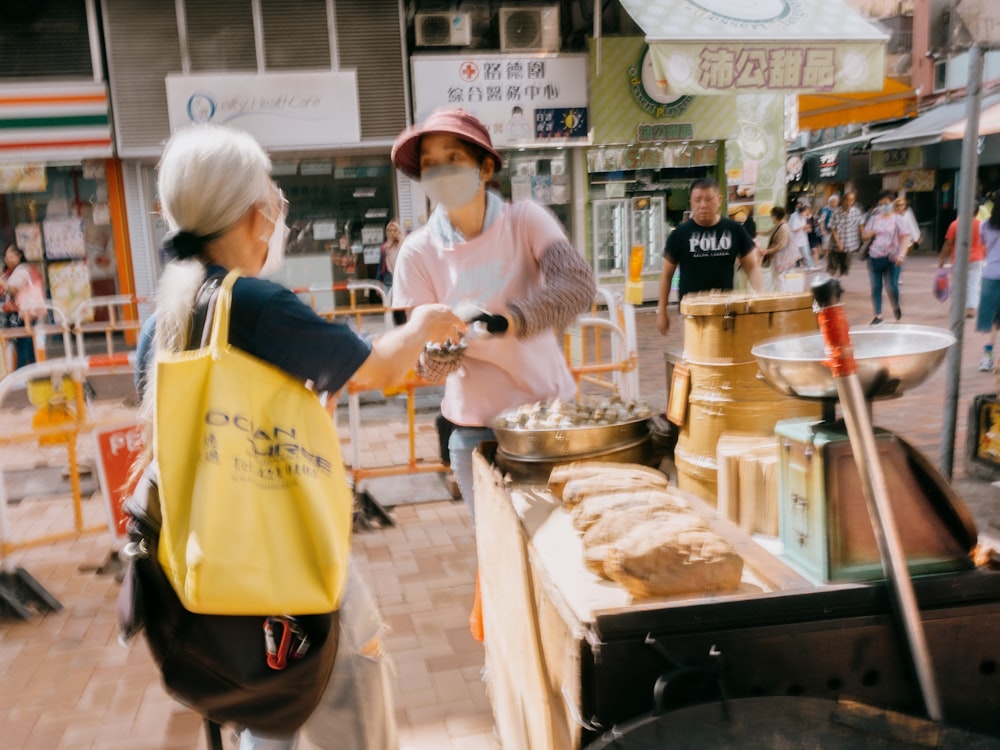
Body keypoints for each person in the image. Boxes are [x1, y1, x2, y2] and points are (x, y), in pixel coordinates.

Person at [132, 123, 466, 750]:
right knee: (350, 711)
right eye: (275, 200)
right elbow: (383, 367)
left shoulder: (164, 320)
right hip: (290, 563)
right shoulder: (255, 304)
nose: (279, 216)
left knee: (272, 717)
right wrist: (420, 324)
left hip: (212, 575)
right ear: (253, 214)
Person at [389, 107, 596, 522]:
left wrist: (508, 320)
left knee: (562, 540)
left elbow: (577, 286)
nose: (441, 173)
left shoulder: (524, 220)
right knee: (498, 549)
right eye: (430, 165)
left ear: (484, 169)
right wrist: (443, 350)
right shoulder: (418, 250)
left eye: (454, 160)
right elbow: (425, 364)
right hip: (474, 429)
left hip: (549, 417)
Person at [656, 177, 764, 336]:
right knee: (694, 357)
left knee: (725, 356)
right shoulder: (679, 235)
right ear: (691, 202)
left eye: (708, 199)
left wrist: (761, 299)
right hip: (691, 312)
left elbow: (752, 267)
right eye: (697, 200)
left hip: (726, 310)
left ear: (719, 200)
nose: (703, 205)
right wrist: (662, 311)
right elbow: (666, 275)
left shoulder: (735, 230)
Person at [861, 190, 911, 325]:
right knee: (876, 287)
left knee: (892, 286)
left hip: (893, 259)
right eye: (881, 204)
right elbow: (864, 236)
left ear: (892, 203)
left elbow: (905, 238)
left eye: (887, 203)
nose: (884, 206)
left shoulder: (898, 220)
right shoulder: (874, 219)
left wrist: (902, 255)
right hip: (875, 257)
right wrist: (869, 233)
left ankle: (895, 305)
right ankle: (878, 314)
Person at [0, 244, 46, 368]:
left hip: (23, 312)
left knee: (21, 343)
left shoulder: (21, 271)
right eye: (5, 257)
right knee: (28, 342)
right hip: (31, 311)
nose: (7, 259)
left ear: (19, 256)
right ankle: (35, 370)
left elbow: (14, 290)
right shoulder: (24, 270)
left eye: (9, 256)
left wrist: (3, 283)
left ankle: (20, 373)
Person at [937, 202, 985, 320]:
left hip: (959, 259)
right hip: (977, 258)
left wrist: (942, 258)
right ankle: (971, 308)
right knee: (973, 283)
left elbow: (948, 244)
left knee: (958, 283)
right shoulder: (982, 225)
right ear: (977, 212)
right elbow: (985, 242)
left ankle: (957, 307)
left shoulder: (955, 224)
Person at [976, 200, 1000, 372]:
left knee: (992, 319)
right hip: (991, 273)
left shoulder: (984, 225)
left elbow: (983, 246)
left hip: (990, 273)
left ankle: (987, 358)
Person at [759, 206, 796, 291]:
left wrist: (767, 251)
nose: (770, 218)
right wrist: (756, 232)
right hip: (776, 257)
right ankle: (778, 294)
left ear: (775, 216)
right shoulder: (779, 225)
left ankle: (781, 296)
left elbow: (781, 245)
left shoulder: (783, 227)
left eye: (771, 215)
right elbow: (768, 232)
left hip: (780, 257)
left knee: (778, 278)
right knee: (776, 278)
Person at [829, 190, 864, 277]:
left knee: (844, 268)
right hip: (836, 245)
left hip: (850, 245)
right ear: (843, 200)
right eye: (847, 200)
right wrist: (838, 243)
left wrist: (863, 235)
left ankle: (838, 280)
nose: (849, 203)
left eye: (851, 200)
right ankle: (832, 282)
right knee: (833, 267)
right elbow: (833, 229)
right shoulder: (836, 213)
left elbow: (861, 224)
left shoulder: (856, 212)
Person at [376, 219, 402, 295]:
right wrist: (379, 283)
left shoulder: (404, 246)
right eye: (390, 231)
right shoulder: (385, 248)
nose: (392, 233)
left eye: (395, 230)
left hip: (401, 280)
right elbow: (380, 267)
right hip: (389, 281)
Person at [787, 201, 815, 269]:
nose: (806, 213)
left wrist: (807, 229)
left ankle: (811, 267)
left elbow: (805, 226)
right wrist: (803, 227)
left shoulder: (804, 217)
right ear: (802, 211)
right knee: (793, 255)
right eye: (806, 211)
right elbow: (793, 229)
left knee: (806, 254)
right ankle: (790, 268)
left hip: (803, 239)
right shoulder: (794, 217)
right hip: (794, 240)